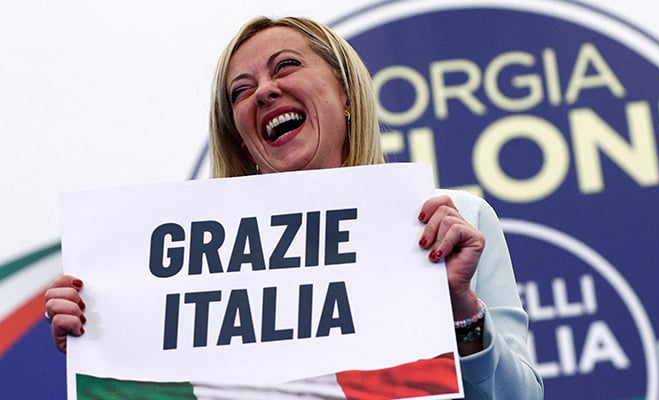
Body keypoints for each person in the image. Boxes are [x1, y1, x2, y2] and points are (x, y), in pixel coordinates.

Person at [45, 16, 544, 399]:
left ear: (346, 93)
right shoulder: (187, 269)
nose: (263, 91)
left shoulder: (451, 222)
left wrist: (460, 308)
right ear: (241, 141)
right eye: (241, 91)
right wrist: (108, 342)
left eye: (286, 66)